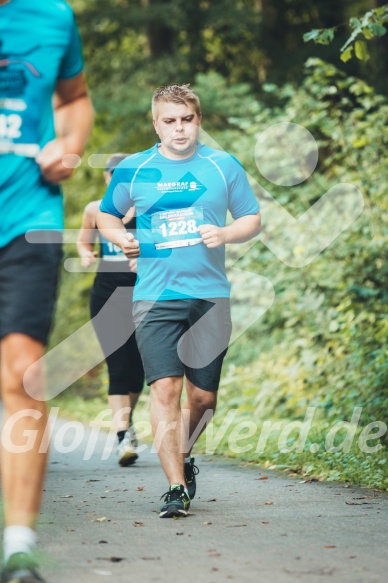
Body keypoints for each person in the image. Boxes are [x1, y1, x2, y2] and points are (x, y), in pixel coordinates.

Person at [97, 84, 261, 518]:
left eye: (186, 119)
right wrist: (121, 238)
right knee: (165, 388)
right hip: (154, 295)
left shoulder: (222, 165)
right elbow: (106, 213)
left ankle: (185, 456)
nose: (179, 129)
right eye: (169, 121)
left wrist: (226, 233)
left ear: (198, 120)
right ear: (156, 124)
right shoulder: (136, 168)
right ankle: (174, 488)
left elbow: (251, 216)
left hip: (209, 295)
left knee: (203, 399)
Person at [0, 1, 93, 581]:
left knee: (22, 371)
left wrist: (71, 143)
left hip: (26, 217)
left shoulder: (52, 16)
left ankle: (18, 544)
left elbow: (75, 99)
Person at [77, 154, 145, 467]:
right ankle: (122, 437)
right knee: (118, 368)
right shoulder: (95, 209)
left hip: (144, 295)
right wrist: (86, 254)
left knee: (139, 373)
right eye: (114, 174)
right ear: (106, 177)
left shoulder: (147, 208)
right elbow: (82, 242)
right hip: (106, 296)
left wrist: (147, 257)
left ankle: (126, 424)